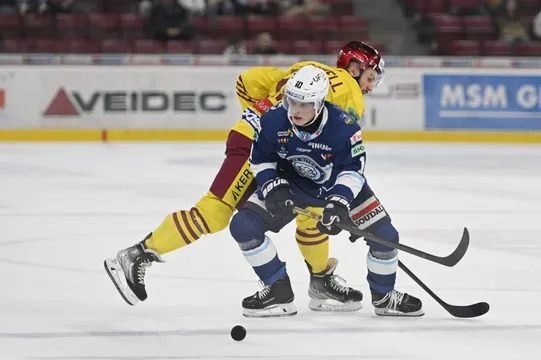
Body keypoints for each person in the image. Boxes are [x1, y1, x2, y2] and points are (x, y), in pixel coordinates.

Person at [104, 42, 383, 311]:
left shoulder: (306, 69)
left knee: (311, 210)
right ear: (355, 68)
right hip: (260, 147)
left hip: (259, 139)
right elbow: (336, 146)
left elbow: (247, 81)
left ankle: (321, 278)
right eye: (370, 77)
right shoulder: (350, 93)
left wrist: (256, 117)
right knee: (214, 213)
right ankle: (136, 254)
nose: (370, 87)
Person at [230, 64, 424, 318]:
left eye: (304, 104)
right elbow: (261, 158)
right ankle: (278, 290)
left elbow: (353, 170)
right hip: (293, 185)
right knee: (243, 226)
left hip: (336, 186)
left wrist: (339, 203)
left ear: (320, 103)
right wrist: (272, 185)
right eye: (292, 101)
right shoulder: (273, 118)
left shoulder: (344, 127)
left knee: (385, 236)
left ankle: (384, 296)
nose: (295, 110)